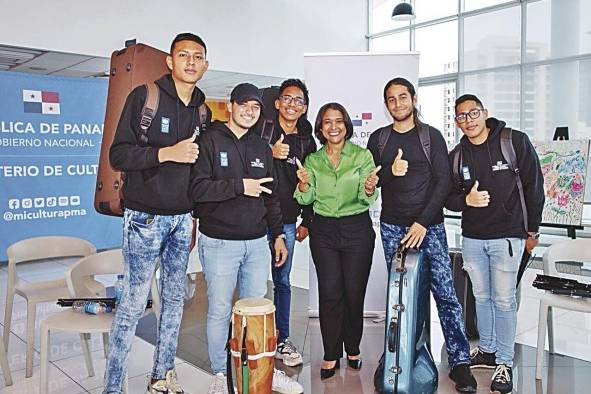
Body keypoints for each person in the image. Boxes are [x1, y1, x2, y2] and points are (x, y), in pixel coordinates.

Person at [106, 32, 211, 394]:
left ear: (206, 65)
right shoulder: (145, 96)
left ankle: (161, 375)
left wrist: (194, 214)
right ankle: (113, 387)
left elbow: (198, 170)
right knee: (133, 304)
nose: (191, 62)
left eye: (198, 56)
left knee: (174, 302)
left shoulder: (203, 110)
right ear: (171, 61)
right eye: (184, 55)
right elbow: (118, 155)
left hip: (182, 220)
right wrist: (165, 153)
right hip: (144, 218)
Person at [190, 83, 303, 394]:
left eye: (255, 108)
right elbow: (197, 192)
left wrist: (278, 235)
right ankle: (219, 375)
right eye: (244, 106)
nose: (250, 112)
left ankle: (262, 372)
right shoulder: (210, 140)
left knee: (256, 311)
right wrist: (240, 186)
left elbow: (272, 197)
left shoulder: (260, 147)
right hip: (219, 243)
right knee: (220, 310)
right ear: (230, 106)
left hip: (256, 243)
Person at [366, 77, 477, 393]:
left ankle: (459, 362)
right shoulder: (379, 139)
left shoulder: (431, 137)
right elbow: (372, 182)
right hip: (392, 228)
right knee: (400, 296)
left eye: (403, 97)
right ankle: (397, 357)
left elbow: (443, 183)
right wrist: (389, 173)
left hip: (430, 228)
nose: (398, 103)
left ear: (413, 99)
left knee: (445, 294)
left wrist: (423, 223)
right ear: (386, 105)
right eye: (391, 99)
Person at [446, 94, 544, 394]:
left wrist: (532, 231)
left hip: (508, 237)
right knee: (482, 297)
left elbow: (534, 185)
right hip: (473, 238)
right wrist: (467, 200)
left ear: (484, 112)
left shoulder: (513, 141)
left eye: (473, 113)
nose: (468, 120)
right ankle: (486, 350)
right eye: (461, 116)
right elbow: (447, 198)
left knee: (504, 300)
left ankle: (504, 362)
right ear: (456, 122)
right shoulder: (457, 155)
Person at [294, 102, 380, 380]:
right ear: (320, 127)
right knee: (330, 293)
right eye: (327, 122)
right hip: (324, 231)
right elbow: (306, 199)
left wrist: (369, 188)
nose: (334, 127)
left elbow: (368, 197)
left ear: (346, 125)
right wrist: (305, 185)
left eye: (339, 121)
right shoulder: (313, 160)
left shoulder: (362, 155)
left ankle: (353, 348)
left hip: (357, 228)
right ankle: (331, 352)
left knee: (354, 293)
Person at [263, 78, 316, 367]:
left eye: (298, 100)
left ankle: (282, 339)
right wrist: (269, 153)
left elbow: (313, 182)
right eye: (287, 98)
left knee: (282, 282)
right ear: (277, 102)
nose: (292, 104)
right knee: (255, 282)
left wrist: (307, 220)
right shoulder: (262, 132)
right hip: (255, 221)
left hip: (286, 221)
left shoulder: (307, 141)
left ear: (304, 107)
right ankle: (252, 336)